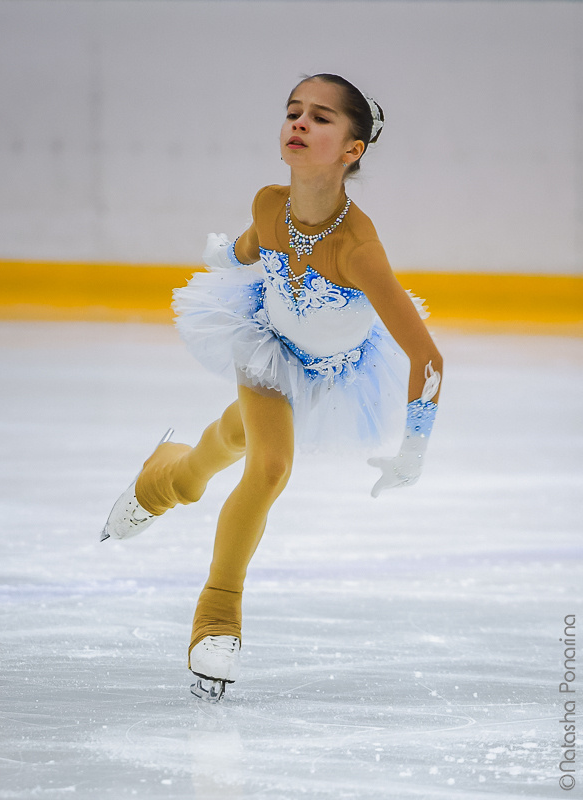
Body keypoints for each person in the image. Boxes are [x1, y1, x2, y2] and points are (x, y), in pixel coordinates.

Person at [100, 73, 443, 702]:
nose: (299, 123)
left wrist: (413, 449)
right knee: (270, 465)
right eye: (293, 111)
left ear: (352, 150)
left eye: (320, 117)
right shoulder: (268, 201)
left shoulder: (359, 249)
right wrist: (224, 257)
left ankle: (163, 479)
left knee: (233, 436)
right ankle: (217, 615)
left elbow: (427, 355)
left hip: (336, 368)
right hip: (265, 341)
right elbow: (252, 246)